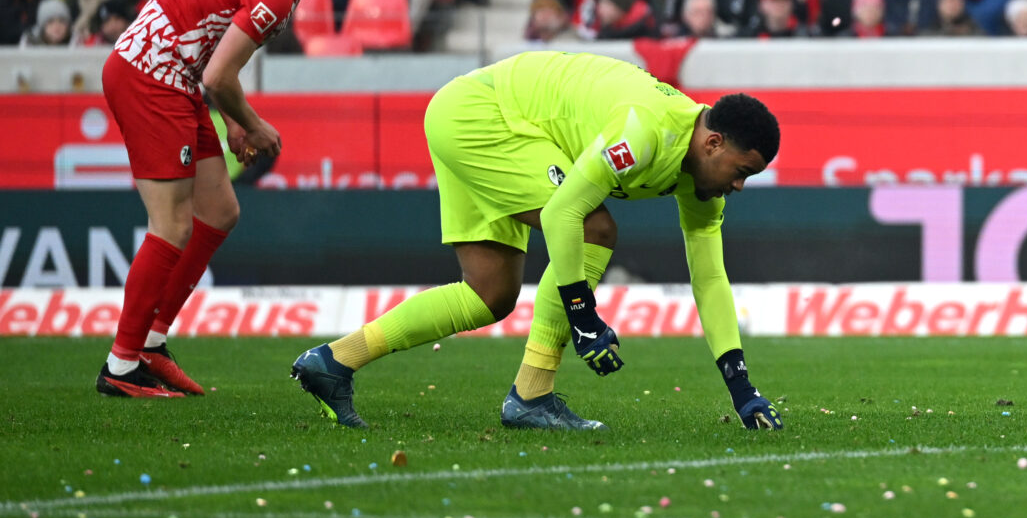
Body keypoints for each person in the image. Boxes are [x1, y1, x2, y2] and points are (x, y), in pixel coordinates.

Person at [293, 52, 782, 434]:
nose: (739, 186)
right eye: (742, 172)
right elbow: (562, 213)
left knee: (489, 294)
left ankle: (334, 362)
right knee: (592, 226)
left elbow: (709, 278)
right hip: (483, 116)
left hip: (475, 116)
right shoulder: (644, 131)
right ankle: (531, 395)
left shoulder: (703, 182)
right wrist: (584, 320)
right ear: (713, 143)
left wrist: (742, 390)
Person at [96, 0, 374, 397]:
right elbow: (218, 75)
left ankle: (152, 343)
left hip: (174, 76)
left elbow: (209, 46)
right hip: (150, 77)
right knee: (172, 225)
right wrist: (253, 124)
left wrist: (230, 120)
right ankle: (121, 365)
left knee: (220, 211)